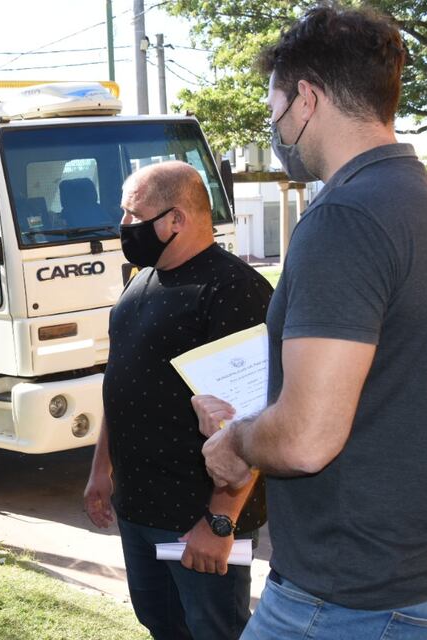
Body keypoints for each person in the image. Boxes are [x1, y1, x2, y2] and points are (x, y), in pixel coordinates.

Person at [191, 6, 427, 638]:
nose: (274, 127)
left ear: (306, 98)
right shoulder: (422, 200)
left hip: (347, 598)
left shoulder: (345, 217)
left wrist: (236, 441)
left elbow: (305, 440)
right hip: (411, 578)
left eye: (273, 106)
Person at [83, 161, 272, 639]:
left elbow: (253, 418)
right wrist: (100, 471)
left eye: (132, 214)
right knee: (161, 625)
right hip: (139, 509)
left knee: (213, 631)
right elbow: (122, 384)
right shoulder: (139, 281)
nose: (123, 226)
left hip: (196, 520)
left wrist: (221, 522)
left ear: (175, 220)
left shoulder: (233, 289)